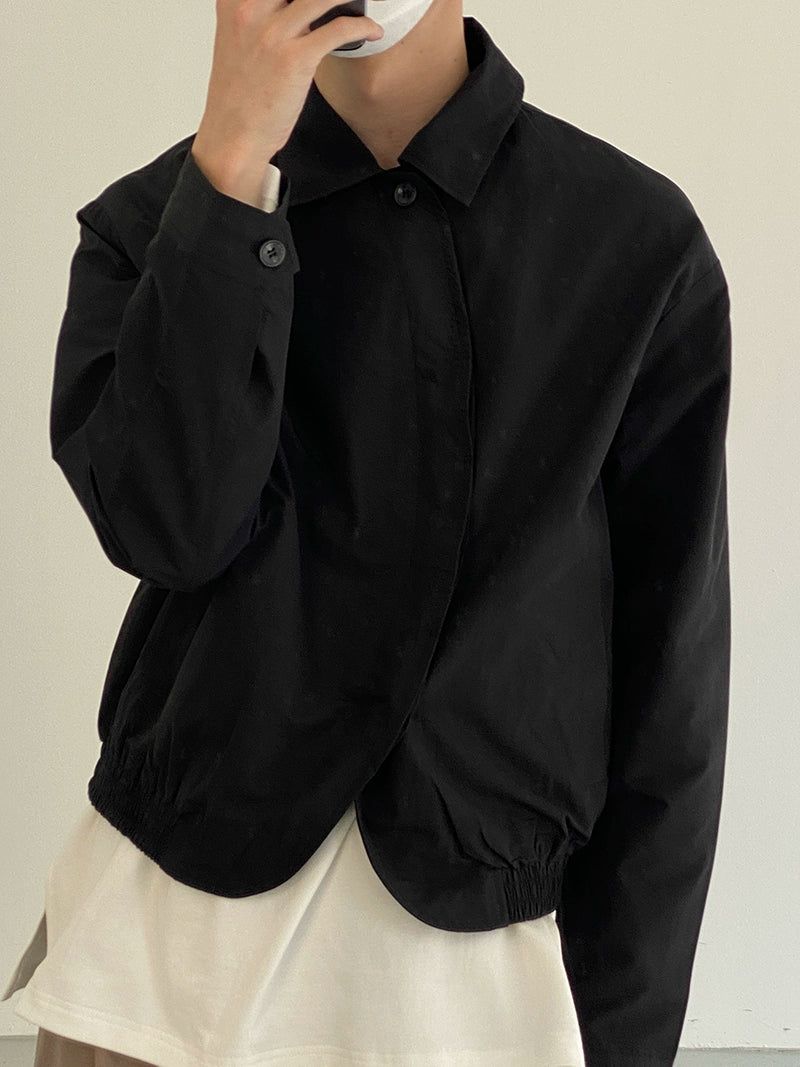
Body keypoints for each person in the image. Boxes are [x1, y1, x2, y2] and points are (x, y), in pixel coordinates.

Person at [3, 0, 732, 1063]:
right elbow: (168, 528)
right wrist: (232, 166)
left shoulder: (629, 241)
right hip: (158, 965)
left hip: (479, 990)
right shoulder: (157, 218)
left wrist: (625, 1029)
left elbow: (672, 688)